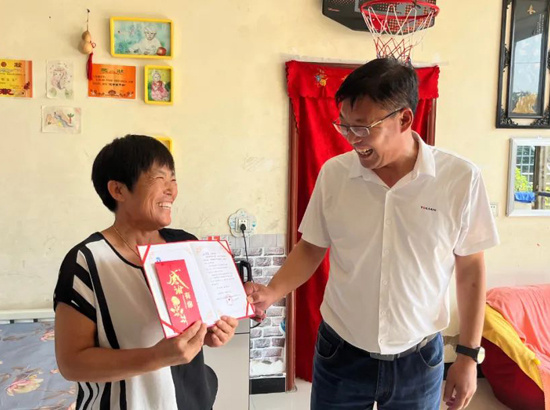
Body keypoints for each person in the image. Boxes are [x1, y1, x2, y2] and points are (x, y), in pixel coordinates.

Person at [246, 58, 499, 410]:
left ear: (404, 119)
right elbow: (311, 247)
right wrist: (271, 292)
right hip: (341, 353)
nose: (352, 139)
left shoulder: (459, 180)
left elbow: (470, 269)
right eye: (345, 126)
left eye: (363, 128)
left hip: (418, 360)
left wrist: (469, 357)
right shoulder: (335, 175)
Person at [54, 135, 238, 409]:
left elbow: (199, 322)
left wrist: (212, 332)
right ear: (118, 190)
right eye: (159, 178)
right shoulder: (86, 261)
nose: (171, 190)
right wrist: (156, 357)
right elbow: (72, 363)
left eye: (173, 179)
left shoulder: (187, 246)